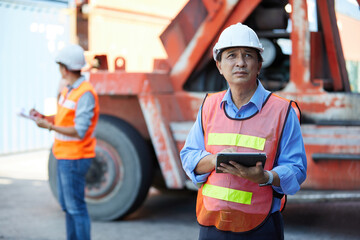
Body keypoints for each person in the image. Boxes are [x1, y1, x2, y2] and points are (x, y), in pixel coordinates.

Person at [180, 23, 307, 240]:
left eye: (248, 55)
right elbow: (189, 155)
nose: (240, 62)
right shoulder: (209, 106)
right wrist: (214, 160)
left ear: (259, 65)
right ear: (219, 65)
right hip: (212, 225)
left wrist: (266, 177)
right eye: (231, 56)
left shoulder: (283, 111)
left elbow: (297, 169)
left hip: (261, 226)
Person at [30, 44, 99, 240]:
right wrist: (44, 118)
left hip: (75, 158)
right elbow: (63, 118)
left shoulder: (84, 93)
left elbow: (79, 130)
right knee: (68, 207)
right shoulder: (70, 90)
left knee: (75, 208)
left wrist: (49, 127)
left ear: (65, 68)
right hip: (65, 156)